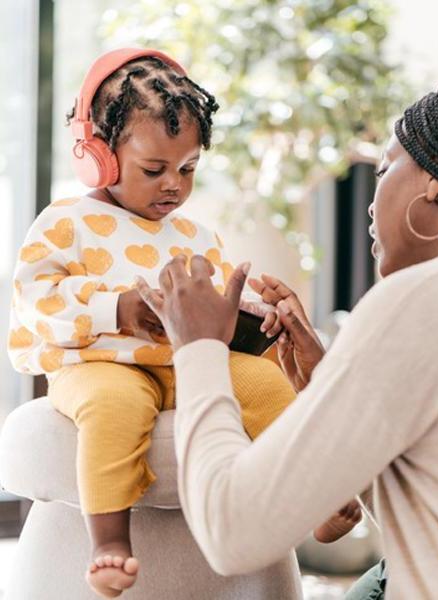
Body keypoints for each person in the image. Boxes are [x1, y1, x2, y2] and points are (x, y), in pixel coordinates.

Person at [138, 77, 438, 599]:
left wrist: (198, 347)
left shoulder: (428, 297)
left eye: (384, 169)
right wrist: (324, 384)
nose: (371, 206)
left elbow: (231, 532)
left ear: (437, 181)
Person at [7, 48, 357, 599]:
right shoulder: (65, 222)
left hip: (183, 364)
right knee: (116, 408)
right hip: (99, 363)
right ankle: (109, 543)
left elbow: (210, 307)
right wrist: (118, 309)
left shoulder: (195, 236)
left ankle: (315, 506)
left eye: (188, 168)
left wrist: (252, 319)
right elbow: (35, 300)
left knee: (266, 386)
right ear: (98, 152)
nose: (174, 185)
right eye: (155, 170)